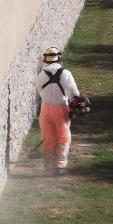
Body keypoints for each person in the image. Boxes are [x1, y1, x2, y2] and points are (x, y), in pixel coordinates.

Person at [36, 47, 80, 176]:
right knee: (64, 137)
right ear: (59, 58)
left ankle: (48, 168)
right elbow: (73, 93)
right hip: (61, 108)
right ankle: (60, 166)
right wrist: (75, 105)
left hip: (45, 110)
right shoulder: (65, 73)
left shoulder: (41, 74)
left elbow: (39, 89)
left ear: (45, 59)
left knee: (48, 138)